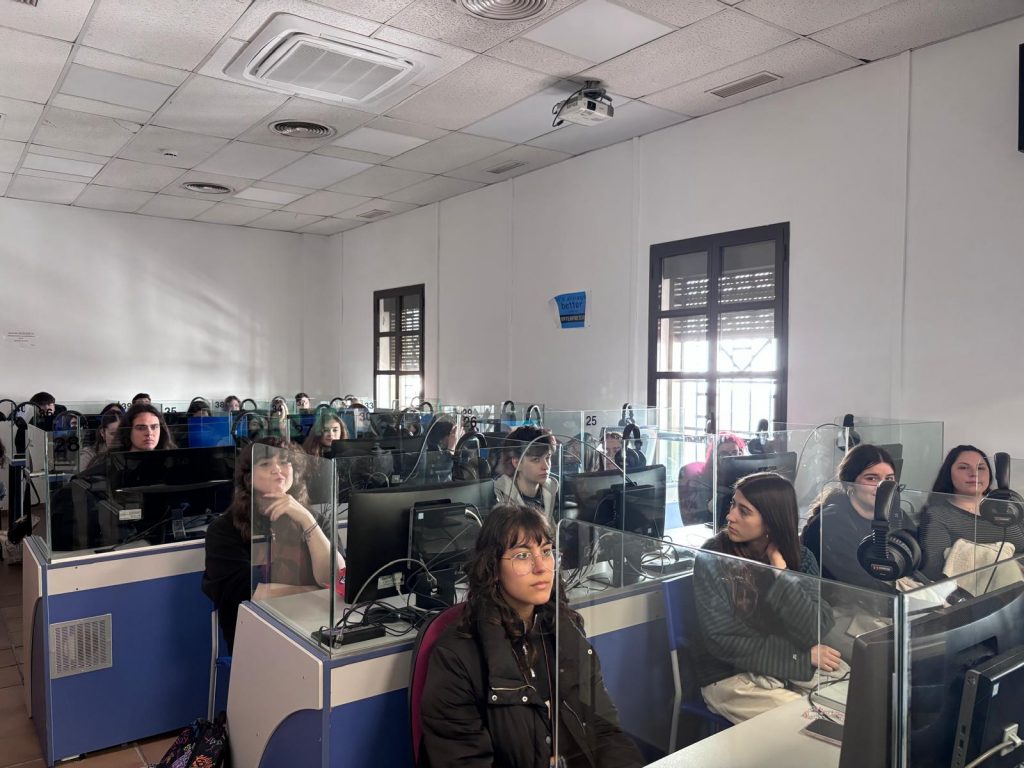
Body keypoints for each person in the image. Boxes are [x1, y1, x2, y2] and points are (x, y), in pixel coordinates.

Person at [419, 504, 643, 768]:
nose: (541, 567)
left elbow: (605, 731)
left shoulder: (565, 629)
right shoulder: (456, 657)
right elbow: (465, 761)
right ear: (492, 568)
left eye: (546, 551)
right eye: (523, 555)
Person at [693, 472, 839, 724]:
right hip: (728, 675)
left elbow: (815, 628)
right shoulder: (713, 556)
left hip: (784, 666)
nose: (730, 516)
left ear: (771, 521)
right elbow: (722, 639)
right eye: (733, 505)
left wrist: (781, 573)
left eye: (744, 511)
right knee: (812, 723)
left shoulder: (801, 557)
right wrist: (799, 657)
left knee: (851, 704)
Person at [202, 438, 342, 651]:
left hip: (318, 631)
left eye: (285, 462)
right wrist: (316, 592)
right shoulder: (224, 529)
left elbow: (337, 578)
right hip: (258, 639)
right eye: (265, 463)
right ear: (248, 477)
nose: (277, 469)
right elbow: (245, 591)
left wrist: (307, 521)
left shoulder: (316, 520)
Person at [801, 444, 916, 591]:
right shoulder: (830, 524)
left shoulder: (896, 516)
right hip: (845, 600)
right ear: (849, 484)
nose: (882, 486)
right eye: (872, 478)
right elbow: (859, 587)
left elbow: (917, 561)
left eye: (889, 479)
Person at [918, 445, 1024, 581]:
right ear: (948, 473)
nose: (974, 473)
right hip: (977, 589)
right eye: (963, 467)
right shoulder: (937, 515)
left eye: (980, 468)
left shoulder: (1011, 507)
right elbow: (934, 569)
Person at [677, 432, 747, 526]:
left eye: (734, 453)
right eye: (724, 454)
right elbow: (699, 516)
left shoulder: (744, 478)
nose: (730, 458)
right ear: (714, 457)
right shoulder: (703, 481)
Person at [494, 425, 559, 520]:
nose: (546, 466)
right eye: (536, 459)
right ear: (517, 463)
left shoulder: (553, 490)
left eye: (547, 457)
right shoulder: (500, 495)